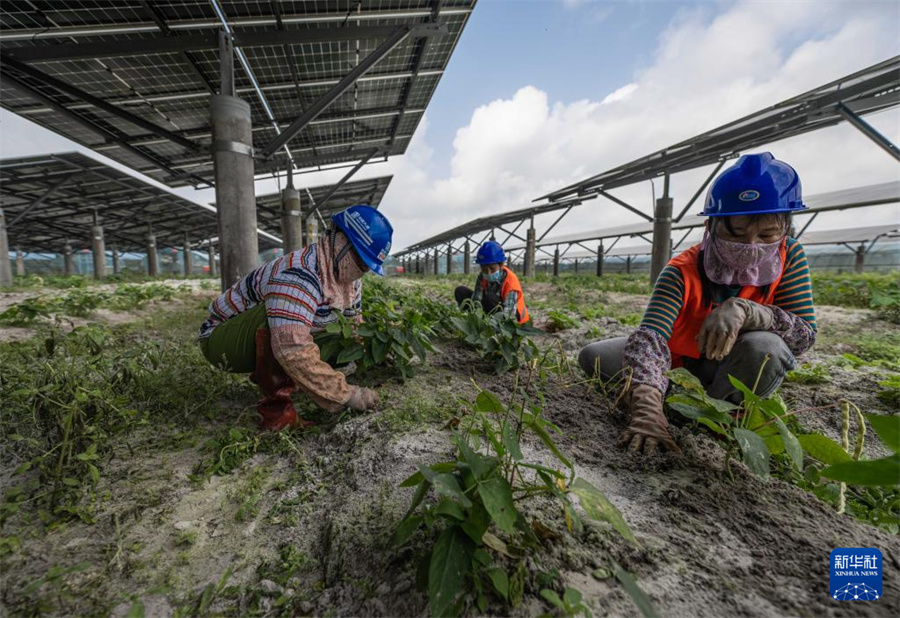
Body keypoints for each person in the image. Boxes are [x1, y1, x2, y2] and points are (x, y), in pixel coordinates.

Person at [578, 152, 817, 455]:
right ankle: (666, 398)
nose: (751, 245)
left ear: (785, 230)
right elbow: (650, 338)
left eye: (767, 234)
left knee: (766, 349)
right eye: (737, 232)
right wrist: (647, 407)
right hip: (678, 363)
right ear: (711, 225)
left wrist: (749, 311)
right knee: (594, 356)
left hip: (736, 365)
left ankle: (716, 418)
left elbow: (804, 334)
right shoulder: (681, 271)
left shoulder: (790, 258)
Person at [198, 205, 392, 431]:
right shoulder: (299, 274)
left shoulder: (349, 280)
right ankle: (278, 416)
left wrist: (374, 350)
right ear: (339, 241)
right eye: (359, 259)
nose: (361, 270)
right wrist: (346, 395)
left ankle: (289, 379)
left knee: (336, 331)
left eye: (366, 267)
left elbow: (354, 322)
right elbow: (291, 347)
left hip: (260, 338)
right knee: (284, 328)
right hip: (222, 341)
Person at [454, 240, 530, 323]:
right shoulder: (482, 276)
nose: (488, 273)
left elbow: (509, 312)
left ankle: (492, 327)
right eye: (484, 269)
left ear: (501, 265)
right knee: (460, 291)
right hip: (489, 310)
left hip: (513, 319)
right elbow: (476, 300)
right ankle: (473, 322)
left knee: (490, 297)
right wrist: (474, 319)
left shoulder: (511, 281)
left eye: (492, 268)